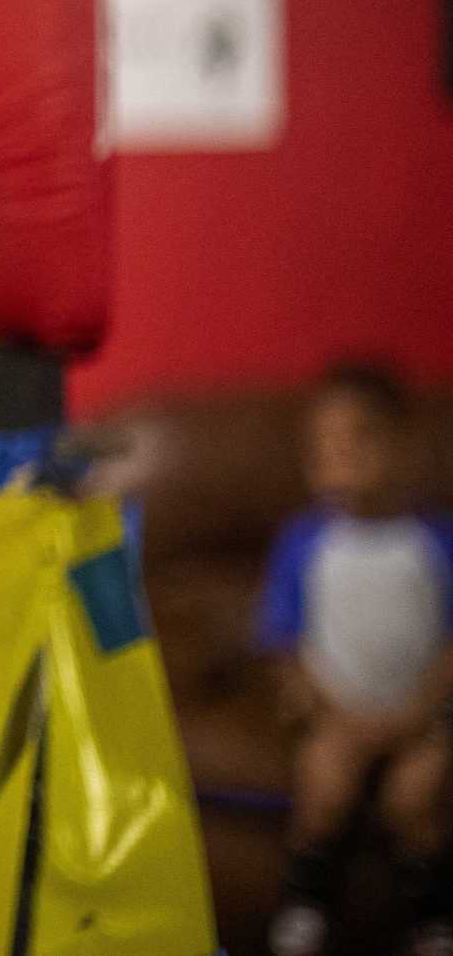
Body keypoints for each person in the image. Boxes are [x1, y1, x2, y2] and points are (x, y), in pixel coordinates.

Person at [258, 363, 453, 956]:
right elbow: (282, 641)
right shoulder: (303, 542)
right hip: (337, 716)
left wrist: (424, 708)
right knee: (323, 790)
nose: (340, 458)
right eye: (324, 447)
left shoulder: (436, 540)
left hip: (419, 717)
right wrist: (320, 708)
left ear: (404, 445)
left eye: (359, 439)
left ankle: (433, 919)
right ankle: (304, 907)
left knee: (417, 802)